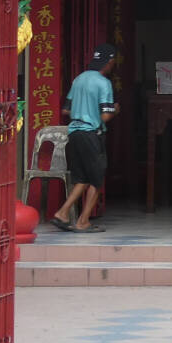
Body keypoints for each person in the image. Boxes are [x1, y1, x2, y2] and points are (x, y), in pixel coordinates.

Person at [52, 43, 118, 233]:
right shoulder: (103, 83)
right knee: (96, 181)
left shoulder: (78, 79)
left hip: (74, 133)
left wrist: (82, 109)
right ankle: (83, 221)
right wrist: (115, 109)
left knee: (82, 178)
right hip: (91, 134)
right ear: (110, 62)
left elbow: (66, 110)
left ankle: (62, 213)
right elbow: (105, 115)